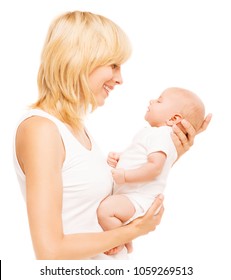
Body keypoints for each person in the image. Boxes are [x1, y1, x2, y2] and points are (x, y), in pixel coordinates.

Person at [13, 10, 211, 260]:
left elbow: (100, 203)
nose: (120, 79)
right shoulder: (41, 130)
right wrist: (133, 230)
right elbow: (50, 251)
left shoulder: (75, 129)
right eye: (114, 65)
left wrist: (170, 152)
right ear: (80, 60)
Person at [97, 87, 206, 254]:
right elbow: (141, 158)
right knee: (109, 208)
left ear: (174, 118)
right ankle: (125, 239)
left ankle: (117, 242)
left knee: (106, 210)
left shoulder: (161, 136)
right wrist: (121, 159)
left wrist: (125, 175)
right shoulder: (154, 134)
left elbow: (155, 167)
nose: (151, 101)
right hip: (132, 196)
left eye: (159, 100)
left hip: (138, 199)